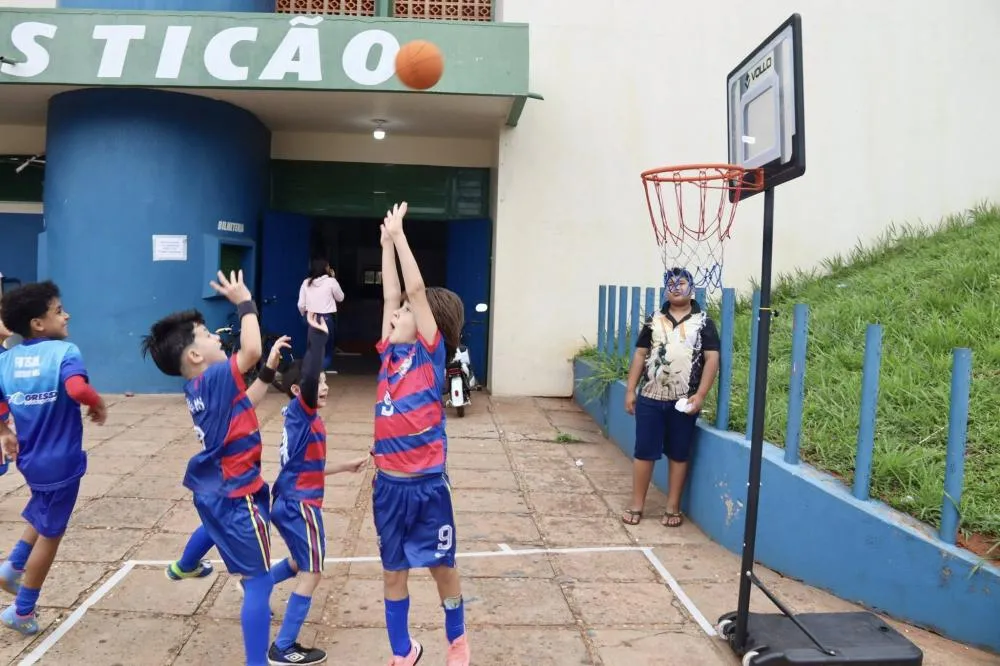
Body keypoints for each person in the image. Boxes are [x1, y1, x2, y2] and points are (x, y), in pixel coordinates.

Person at [140, 270, 273, 666]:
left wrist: (267, 373)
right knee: (259, 581)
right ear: (196, 355)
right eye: (208, 335)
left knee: (213, 527)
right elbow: (250, 351)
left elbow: (244, 403)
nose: (218, 337)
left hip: (214, 492)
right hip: (236, 494)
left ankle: (184, 566)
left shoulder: (199, 387)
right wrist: (245, 301)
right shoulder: (216, 376)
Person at [373, 202, 470, 666]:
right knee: (394, 576)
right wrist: (385, 245)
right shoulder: (388, 356)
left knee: (441, 568)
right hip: (387, 487)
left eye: (405, 315)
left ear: (428, 324)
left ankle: (457, 641)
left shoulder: (430, 360)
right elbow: (393, 294)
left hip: (428, 487)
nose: (394, 317)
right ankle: (402, 651)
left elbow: (412, 289)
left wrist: (403, 235)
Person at [242, 321, 368, 665]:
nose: (324, 386)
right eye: (319, 382)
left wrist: (344, 467)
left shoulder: (300, 419)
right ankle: (284, 646)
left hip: (289, 500)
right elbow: (310, 376)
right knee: (313, 571)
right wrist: (318, 337)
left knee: (300, 561)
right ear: (298, 391)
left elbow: (306, 467)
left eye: (326, 381)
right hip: (300, 506)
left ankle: (259, 585)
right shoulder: (303, 412)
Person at [0, 281, 107, 635]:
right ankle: (23, 609)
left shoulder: (6, 359)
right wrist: (97, 402)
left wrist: (4, 431)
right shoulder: (66, 352)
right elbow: (77, 389)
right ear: (38, 323)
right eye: (58, 310)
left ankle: (13, 567)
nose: (67, 314)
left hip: (30, 461)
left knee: (42, 508)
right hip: (62, 463)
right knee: (52, 533)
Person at [622, 267, 720, 528]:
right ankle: (636, 504)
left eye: (682, 282)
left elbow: (712, 361)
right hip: (651, 397)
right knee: (644, 451)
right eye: (671, 283)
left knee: (679, 453)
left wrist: (700, 396)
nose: (676, 287)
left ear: (693, 288)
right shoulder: (653, 320)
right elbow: (640, 355)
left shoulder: (704, 323)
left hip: (683, 401)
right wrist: (631, 390)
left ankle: (672, 506)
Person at [297, 259, 345, 374]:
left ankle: (309, 373)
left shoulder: (306, 283)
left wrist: (306, 315)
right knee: (327, 351)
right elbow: (340, 297)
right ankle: (316, 374)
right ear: (325, 269)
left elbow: (301, 305)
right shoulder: (330, 282)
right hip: (326, 319)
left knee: (312, 350)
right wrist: (333, 278)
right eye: (328, 267)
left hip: (311, 318)